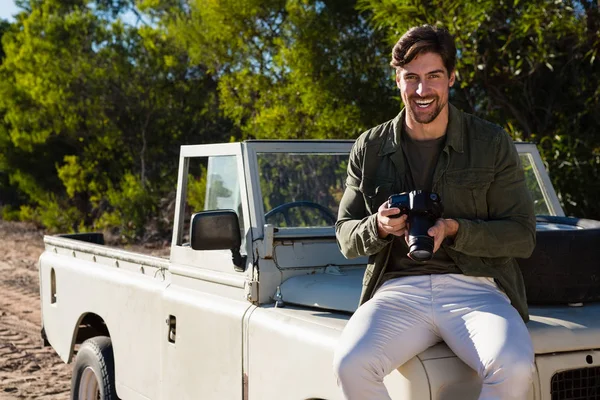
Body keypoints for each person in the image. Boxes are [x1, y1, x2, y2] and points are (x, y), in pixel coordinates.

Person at [333, 25, 537, 400]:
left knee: (516, 365)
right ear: (398, 80)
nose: (422, 90)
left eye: (433, 77)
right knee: (350, 364)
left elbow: (522, 235)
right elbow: (346, 235)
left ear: (452, 78)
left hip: (476, 287)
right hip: (397, 290)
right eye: (411, 78)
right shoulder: (370, 147)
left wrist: (455, 229)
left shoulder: (490, 142)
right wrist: (378, 226)